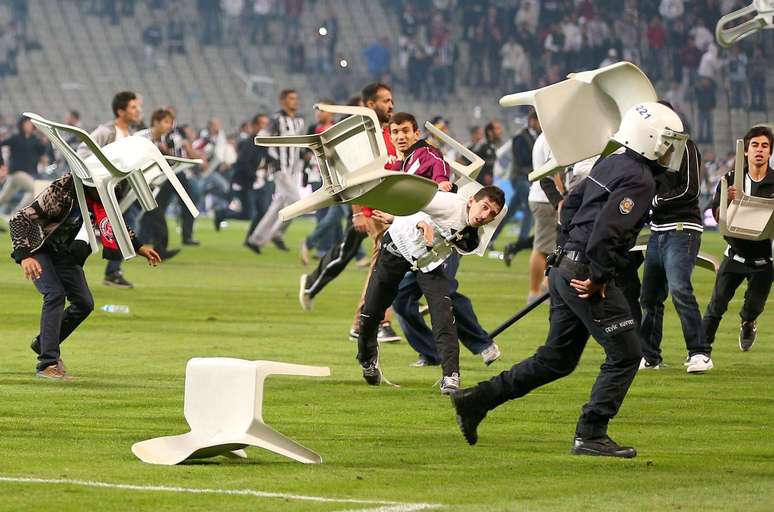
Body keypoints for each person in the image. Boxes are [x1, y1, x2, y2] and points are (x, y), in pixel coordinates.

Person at [451, 102, 687, 457]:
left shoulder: (611, 162)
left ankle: (477, 399)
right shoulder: (639, 179)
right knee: (626, 354)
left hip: (565, 265)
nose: (670, 150)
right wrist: (597, 276)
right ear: (650, 139)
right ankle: (591, 432)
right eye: (667, 142)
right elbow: (608, 232)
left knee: (556, 359)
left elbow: (569, 205)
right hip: (584, 273)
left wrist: (561, 256)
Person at [9, 173, 161, 380]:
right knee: (54, 294)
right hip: (40, 248)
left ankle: (44, 343)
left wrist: (140, 247)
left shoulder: (100, 196)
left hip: (64, 251)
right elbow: (20, 219)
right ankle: (47, 363)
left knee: (84, 303)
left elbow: (114, 222)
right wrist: (24, 256)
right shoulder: (62, 192)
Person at [358, 186, 505, 393]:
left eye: (492, 214)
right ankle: (367, 359)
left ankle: (451, 376)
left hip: (428, 263)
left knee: (443, 314)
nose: (485, 215)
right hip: (398, 246)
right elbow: (410, 200)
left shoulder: (473, 236)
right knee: (372, 309)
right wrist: (420, 223)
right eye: (484, 207)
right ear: (471, 200)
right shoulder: (447, 203)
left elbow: (465, 245)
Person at [298, 83, 401, 344]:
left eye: (392, 100)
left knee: (384, 264)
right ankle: (374, 321)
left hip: (391, 207)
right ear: (370, 105)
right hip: (372, 207)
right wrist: (358, 212)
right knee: (382, 265)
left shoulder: (387, 131)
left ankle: (374, 318)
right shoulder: (360, 135)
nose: (391, 105)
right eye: (386, 100)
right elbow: (352, 174)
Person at [639, 125, 708, 371]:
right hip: (657, 231)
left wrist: (655, 202)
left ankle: (700, 353)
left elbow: (691, 190)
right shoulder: (648, 151)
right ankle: (649, 356)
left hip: (683, 227)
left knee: (680, 288)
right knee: (649, 296)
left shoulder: (685, 146)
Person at [702, 126, 774, 356]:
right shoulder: (730, 179)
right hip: (734, 254)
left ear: (770, 152)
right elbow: (714, 216)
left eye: (765, 146)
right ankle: (700, 352)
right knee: (716, 307)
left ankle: (748, 323)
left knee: (753, 308)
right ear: (745, 151)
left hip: (765, 258)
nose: (759, 150)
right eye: (755, 145)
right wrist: (727, 201)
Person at [77, 91, 142, 289]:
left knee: (126, 227)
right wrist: (98, 174)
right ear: (120, 111)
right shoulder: (105, 131)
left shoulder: (132, 136)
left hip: (118, 191)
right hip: (100, 191)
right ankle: (110, 272)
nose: (138, 110)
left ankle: (112, 272)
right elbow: (82, 151)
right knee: (88, 233)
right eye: (133, 107)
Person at [246, 89, 305, 253]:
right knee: (297, 202)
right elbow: (262, 138)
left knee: (278, 204)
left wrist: (304, 160)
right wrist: (274, 160)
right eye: (291, 98)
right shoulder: (276, 119)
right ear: (283, 101)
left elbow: (299, 144)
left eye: (296, 98)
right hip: (281, 168)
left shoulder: (299, 121)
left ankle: (256, 239)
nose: (295, 101)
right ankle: (276, 233)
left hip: (294, 168)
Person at [137, 108, 182, 260]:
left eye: (170, 122)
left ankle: (158, 249)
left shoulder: (162, 140)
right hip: (136, 183)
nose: (169, 125)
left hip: (150, 183)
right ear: (156, 122)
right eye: (166, 122)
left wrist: (166, 153)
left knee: (153, 216)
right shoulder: (142, 137)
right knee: (152, 216)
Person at [500, 111, 541, 263]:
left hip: (530, 179)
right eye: (538, 121)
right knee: (529, 208)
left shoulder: (540, 137)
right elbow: (521, 159)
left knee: (510, 211)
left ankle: (491, 238)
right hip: (520, 178)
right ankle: (522, 242)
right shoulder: (519, 138)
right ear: (531, 120)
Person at [0, 116, 48, 216]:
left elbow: (41, 153)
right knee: (36, 190)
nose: (29, 125)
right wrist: (2, 163)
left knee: (4, 197)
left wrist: (44, 142)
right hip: (16, 172)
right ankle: (16, 214)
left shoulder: (34, 139)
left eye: (30, 123)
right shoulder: (15, 137)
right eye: (26, 123)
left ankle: (13, 215)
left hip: (26, 173)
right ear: (21, 125)